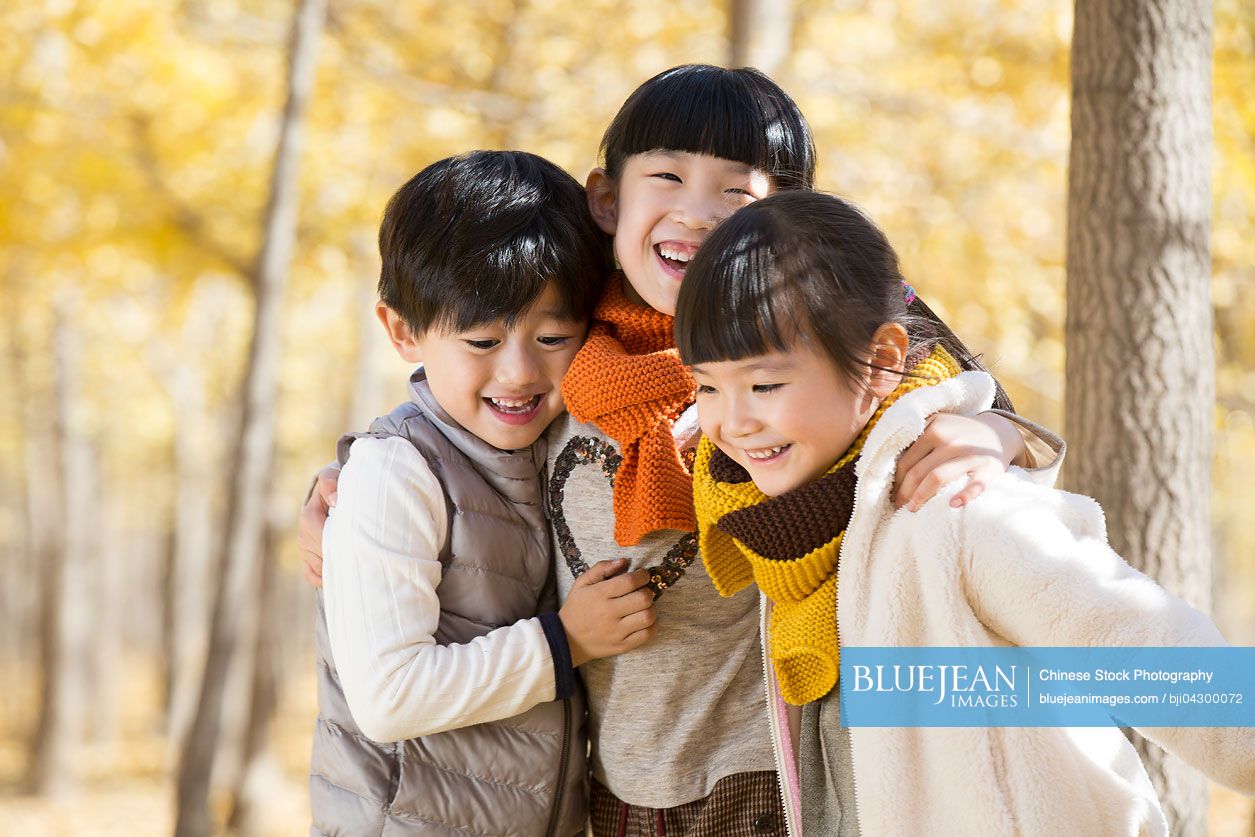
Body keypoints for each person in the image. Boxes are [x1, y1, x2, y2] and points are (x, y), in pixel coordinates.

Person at [301, 66, 1061, 835]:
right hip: (612, 785)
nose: (696, 214)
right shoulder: (570, 332)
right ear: (608, 200)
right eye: (666, 177)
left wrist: (995, 427)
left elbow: (920, 357)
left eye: (737, 191)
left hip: (767, 765)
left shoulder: (791, 357)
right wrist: (350, 481)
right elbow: (460, 404)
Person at [677, 189, 1255, 835]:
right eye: (706, 384)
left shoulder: (957, 509)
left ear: (883, 363)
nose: (730, 419)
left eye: (763, 384)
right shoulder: (788, 534)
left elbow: (1160, 657)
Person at [310, 150, 659, 837]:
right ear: (403, 330)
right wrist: (566, 642)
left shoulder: (545, 446)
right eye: (480, 339)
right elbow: (387, 697)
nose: (520, 370)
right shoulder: (398, 472)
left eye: (553, 335)